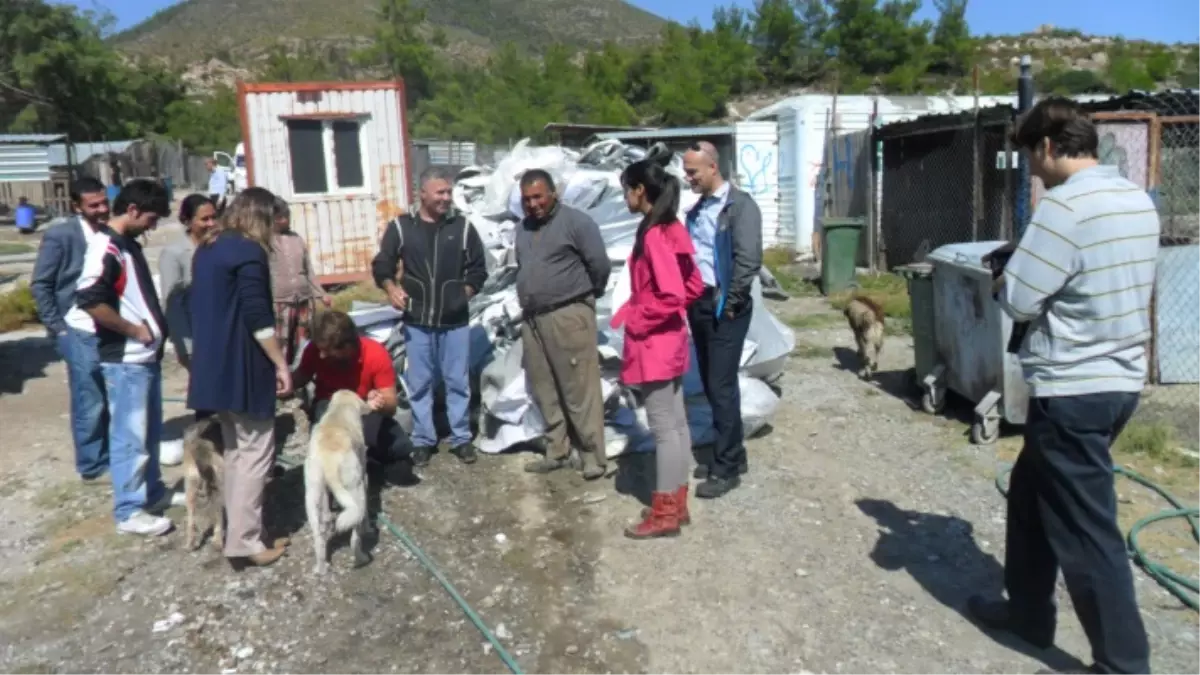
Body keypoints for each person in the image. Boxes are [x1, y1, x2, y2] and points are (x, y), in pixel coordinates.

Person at [969, 98, 1158, 675]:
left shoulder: (1064, 208)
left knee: (1086, 530)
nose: (1030, 168)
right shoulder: (1136, 197)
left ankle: (1123, 663)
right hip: (1119, 379)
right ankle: (1028, 613)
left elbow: (1021, 298)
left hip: (1074, 385)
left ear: (1048, 146)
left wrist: (1008, 270)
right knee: (1030, 494)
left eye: (1030, 155)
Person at [188, 187, 292, 569]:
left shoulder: (208, 248)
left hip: (212, 368)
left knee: (235, 452)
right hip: (242, 367)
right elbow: (258, 316)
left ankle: (237, 532)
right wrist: (280, 364)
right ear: (259, 218)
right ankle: (245, 542)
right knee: (255, 455)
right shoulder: (248, 252)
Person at [73, 179, 182, 536]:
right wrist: (134, 330)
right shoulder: (106, 247)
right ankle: (129, 510)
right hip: (126, 359)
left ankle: (151, 492)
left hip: (144, 359)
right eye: (151, 218)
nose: (153, 226)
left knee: (147, 433)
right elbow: (89, 297)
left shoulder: (126, 244)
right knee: (129, 436)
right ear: (132, 210)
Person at [611, 160, 705, 538]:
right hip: (673, 339)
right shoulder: (672, 228)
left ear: (639, 190)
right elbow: (694, 285)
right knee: (677, 424)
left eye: (626, 190)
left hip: (654, 343)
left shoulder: (652, 235)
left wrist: (637, 318)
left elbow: (672, 293)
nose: (625, 198)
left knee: (664, 428)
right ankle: (677, 505)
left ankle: (665, 512)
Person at [371, 168, 488, 466]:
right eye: (440, 192)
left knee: (457, 381)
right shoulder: (401, 227)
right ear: (422, 193)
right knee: (420, 382)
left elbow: (478, 267)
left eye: (448, 193)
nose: (446, 198)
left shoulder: (462, 228)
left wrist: (466, 291)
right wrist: (390, 286)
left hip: (455, 321)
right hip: (418, 319)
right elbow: (383, 263)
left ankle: (461, 437)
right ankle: (424, 439)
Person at [514, 169, 612, 480]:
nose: (533, 204)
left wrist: (584, 298)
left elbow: (600, 264)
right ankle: (557, 450)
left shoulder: (576, 222)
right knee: (545, 387)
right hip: (533, 318)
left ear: (553, 193)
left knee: (579, 388)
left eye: (538, 196)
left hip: (568, 314)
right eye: (527, 199)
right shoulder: (523, 228)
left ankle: (593, 455)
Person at [681, 141, 763, 499]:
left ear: (713, 167)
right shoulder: (698, 209)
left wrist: (730, 304)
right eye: (686, 172)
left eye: (693, 171)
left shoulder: (740, 207)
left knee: (721, 385)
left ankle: (727, 467)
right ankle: (731, 452)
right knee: (714, 384)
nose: (688, 178)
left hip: (724, 307)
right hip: (699, 305)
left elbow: (748, 260)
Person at [30, 177, 113, 483]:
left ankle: (111, 451)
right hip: (75, 327)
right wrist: (58, 328)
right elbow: (41, 284)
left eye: (104, 202)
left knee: (109, 391)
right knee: (88, 396)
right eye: (94, 205)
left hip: (107, 325)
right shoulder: (61, 235)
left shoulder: (109, 232)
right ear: (78, 206)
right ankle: (92, 464)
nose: (102, 209)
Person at [293, 310, 412, 472]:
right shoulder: (314, 350)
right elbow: (301, 376)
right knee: (327, 417)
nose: (321, 355)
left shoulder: (375, 353)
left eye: (328, 351)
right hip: (329, 407)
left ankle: (366, 458)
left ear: (347, 346)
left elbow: (391, 405)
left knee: (400, 447)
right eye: (320, 349)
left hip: (364, 409)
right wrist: (282, 384)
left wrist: (380, 403)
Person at [270, 197, 331, 367]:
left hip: (303, 300)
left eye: (287, 215)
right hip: (280, 301)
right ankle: (281, 379)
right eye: (281, 217)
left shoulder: (296, 238)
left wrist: (321, 293)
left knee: (304, 343)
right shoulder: (267, 241)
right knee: (282, 344)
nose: (285, 220)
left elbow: (308, 269)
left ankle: (301, 379)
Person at [159, 194, 218, 370]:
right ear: (187, 221)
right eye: (204, 219)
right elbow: (172, 302)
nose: (211, 224)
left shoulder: (220, 247)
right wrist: (186, 347)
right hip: (195, 336)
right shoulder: (174, 253)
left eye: (214, 217)